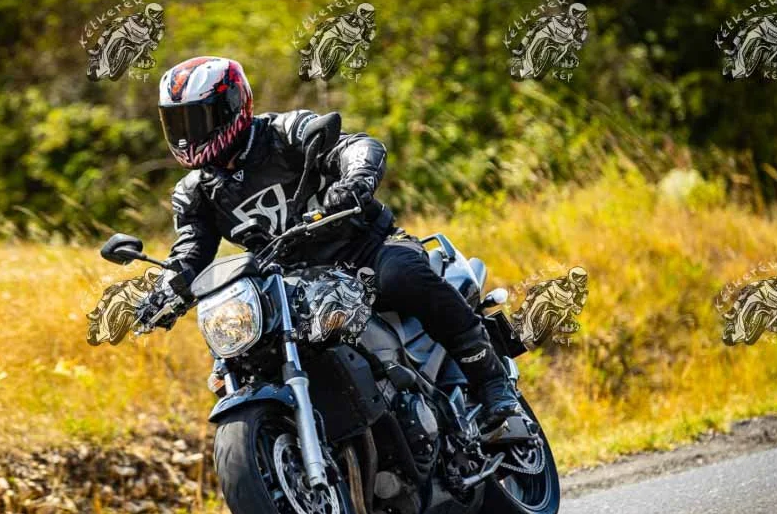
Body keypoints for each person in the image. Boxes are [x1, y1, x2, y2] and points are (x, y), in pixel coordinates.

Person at [146, 55, 523, 425]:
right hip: (290, 286)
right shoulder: (195, 192)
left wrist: (354, 182)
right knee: (240, 354)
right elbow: (191, 250)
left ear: (232, 107)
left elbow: (357, 147)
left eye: (197, 119)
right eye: (177, 122)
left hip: (364, 249)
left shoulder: (284, 132)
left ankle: (491, 381)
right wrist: (165, 290)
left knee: (403, 275)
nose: (187, 133)